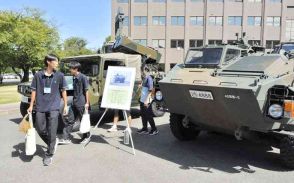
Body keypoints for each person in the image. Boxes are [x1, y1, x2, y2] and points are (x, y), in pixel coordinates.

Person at [28, 54, 67, 166]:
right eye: (56, 61)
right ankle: (52, 142)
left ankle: (49, 154)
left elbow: (63, 90)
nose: (57, 63)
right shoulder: (38, 75)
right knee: (40, 128)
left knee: (52, 130)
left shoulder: (59, 75)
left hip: (54, 107)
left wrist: (65, 105)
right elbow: (34, 91)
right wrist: (31, 105)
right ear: (49, 62)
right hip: (40, 106)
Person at [58, 61, 90, 145]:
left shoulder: (83, 77)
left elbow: (86, 90)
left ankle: (86, 136)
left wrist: (87, 103)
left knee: (83, 121)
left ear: (76, 69)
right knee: (70, 120)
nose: (70, 70)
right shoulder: (74, 77)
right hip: (74, 102)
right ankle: (66, 138)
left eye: (71, 69)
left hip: (81, 103)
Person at [137, 67, 159, 135]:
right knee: (143, 115)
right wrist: (141, 86)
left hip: (147, 100)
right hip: (142, 100)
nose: (141, 72)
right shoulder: (144, 78)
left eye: (142, 71)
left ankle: (154, 129)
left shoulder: (149, 78)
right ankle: (145, 128)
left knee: (148, 115)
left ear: (146, 70)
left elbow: (151, 90)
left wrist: (146, 100)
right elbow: (145, 88)